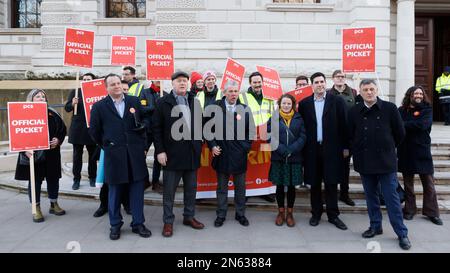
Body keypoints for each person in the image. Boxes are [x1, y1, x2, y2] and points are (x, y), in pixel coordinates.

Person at [348, 79, 411, 250]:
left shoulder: (389, 108)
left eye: (372, 89)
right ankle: (375, 226)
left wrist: (387, 148)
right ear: (360, 92)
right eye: (365, 89)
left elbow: (400, 133)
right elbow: (350, 134)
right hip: (364, 161)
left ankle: (402, 233)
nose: (369, 92)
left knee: (392, 199)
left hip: (385, 162)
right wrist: (358, 149)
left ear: (376, 90)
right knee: (371, 197)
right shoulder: (354, 111)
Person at [89, 73, 151, 240]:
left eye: (118, 83)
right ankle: (115, 224)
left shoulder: (134, 101)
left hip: (135, 155)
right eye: (112, 84)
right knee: (115, 193)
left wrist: (143, 130)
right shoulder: (99, 106)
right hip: (114, 156)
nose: (117, 86)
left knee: (137, 191)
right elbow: (94, 131)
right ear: (106, 87)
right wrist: (107, 145)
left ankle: (138, 223)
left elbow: (145, 120)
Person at [152, 71, 204, 237]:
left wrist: (199, 142)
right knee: (169, 191)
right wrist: (160, 151)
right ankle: (168, 221)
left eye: (185, 81)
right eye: (179, 81)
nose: (183, 83)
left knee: (191, 189)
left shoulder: (194, 101)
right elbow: (156, 129)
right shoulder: (163, 102)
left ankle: (189, 216)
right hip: (172, 155)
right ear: (172, 84)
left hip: (191, 154)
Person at [298, 72, 348, 230]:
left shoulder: (337, 101)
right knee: (314, 183)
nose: (319, 84)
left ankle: (333, 215)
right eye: (316, 82)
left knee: (332, 182)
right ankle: (316, 213)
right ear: (312, 85)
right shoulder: (305, 104)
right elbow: (302, 128)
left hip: (332, 150)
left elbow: (344, 125)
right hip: (312, 150)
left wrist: (345, 147)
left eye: (321, 81)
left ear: (325, 83)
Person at [206, 80, 254, 227]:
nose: (234, 94)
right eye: (231, 91)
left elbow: (250, 132)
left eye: (236, 91)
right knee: (221, 188)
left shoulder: (245, 109)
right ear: (225, 92)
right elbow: (207, 130)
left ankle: (240, 214)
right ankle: (221, 214)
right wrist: (213, 146)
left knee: (240, 188)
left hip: (239, 155)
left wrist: (244, 148)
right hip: (221, 154)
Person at [15, 89, 67, 223]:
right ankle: (36, 207)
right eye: (37, 96)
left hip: (52, 153)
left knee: (53, 178)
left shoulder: (52, 112)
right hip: (33, 154)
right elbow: (17, 132)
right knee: (35, 181)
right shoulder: (23, 113)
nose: (41, 98)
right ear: (31, 99)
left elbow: (62, 129)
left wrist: (58, 140)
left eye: (43, 96)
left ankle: (53, 203)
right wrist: (24, 150)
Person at [398, 86, 443, 225]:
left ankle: (432, 212)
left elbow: (422, 125)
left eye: (420, 93)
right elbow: (397, 125)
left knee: (428, 184)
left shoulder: (427, 110)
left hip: (422, 150)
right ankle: (410, 210)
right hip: (405, 150)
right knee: (408, 184)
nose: (418, 95)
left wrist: (404, 124)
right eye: (415, 93)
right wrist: (408, 124)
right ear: (409, 95)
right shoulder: (401, 110)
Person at [268, 94, 306, 227]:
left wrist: (292, 149)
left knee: (291, 187)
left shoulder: (299, 118)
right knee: (279, 186)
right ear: (280, 104)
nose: (286, 105)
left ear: (293, 105)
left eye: (289, 103)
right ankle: (280, 212)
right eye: (284, 103)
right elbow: (269, 136)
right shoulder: (273, 118)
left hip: (294, 157)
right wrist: (282, 149)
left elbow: (303, 136)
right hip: (279, 157)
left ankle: (290, 213)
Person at [240, 71, 276, 203]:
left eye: (259, 82)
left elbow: (274, 115)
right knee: (249, 165)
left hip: (266, 137)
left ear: (263, 82)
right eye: (254, 82)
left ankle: (266, 191)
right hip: (250, 138)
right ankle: (248, 190)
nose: (257, 84)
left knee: (265, 164)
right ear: (250, 83)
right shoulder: (243, 97)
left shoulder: (270, 97)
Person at [327, 70, 357, 206]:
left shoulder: (354, 92)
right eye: (338, 76)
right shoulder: (328, 93)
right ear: (333, 79)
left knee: (345, 168)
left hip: (348, 137)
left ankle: (344, 194)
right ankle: (329, 195)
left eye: (342, 76)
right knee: (330, 167)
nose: (340, 78)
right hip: (332, 137)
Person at [64, 72, 98, 190]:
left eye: (88, 79)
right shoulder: (76, 92)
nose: (85, 81)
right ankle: (76, 179)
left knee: (92, 157)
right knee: (77, 156)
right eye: (84, 79)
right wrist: (72, 103)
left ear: (93, 81)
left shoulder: (96, 92)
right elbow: (67, 108)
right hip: (78, 128)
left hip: (91, 128)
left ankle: (92, 177)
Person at [139, 80, 163, 192]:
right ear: (152, 79)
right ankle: (144, 180)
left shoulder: (165, 94)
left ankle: (155, 182)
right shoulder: (144, 92)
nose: (159, 81)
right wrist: (155, 107)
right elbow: (141, 109)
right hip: (147, 130)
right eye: (157, 79)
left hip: (159, 131)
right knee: (141, 156)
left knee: (158, 158)